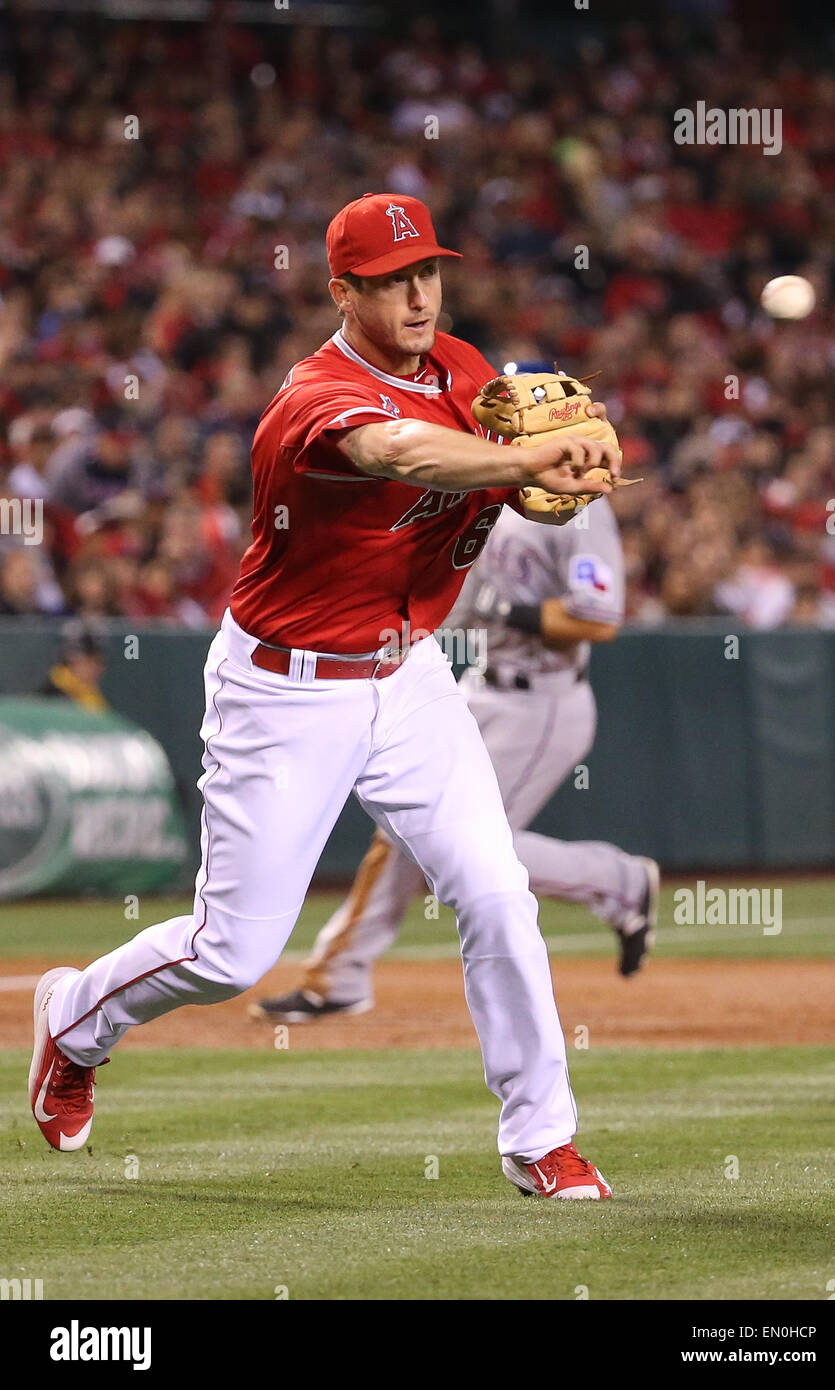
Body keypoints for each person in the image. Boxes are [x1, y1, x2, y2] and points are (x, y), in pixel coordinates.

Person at [30, 193, 623, 1200]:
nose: (418, 293)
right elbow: (396, 451)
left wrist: (568, 458)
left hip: (410, 676)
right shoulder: (312, 399)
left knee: (493, 892)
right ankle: (75, 1021)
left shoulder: (467, 371)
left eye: (428, 271)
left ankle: (541, 1138)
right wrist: (525, 458)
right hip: (286, 690)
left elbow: (511, 452)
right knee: (232, 953)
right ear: (342, 291)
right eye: (391, 280)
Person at [253, 375, 657, 1026]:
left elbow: (598, 619)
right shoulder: (481, 484)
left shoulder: (582, 505)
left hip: (543, 701)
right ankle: (342, 975)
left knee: (456, 844)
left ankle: (616, 881)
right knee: (414, 834)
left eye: (530, 408)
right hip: (480, 687)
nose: (513, 416)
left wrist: (503, 609)